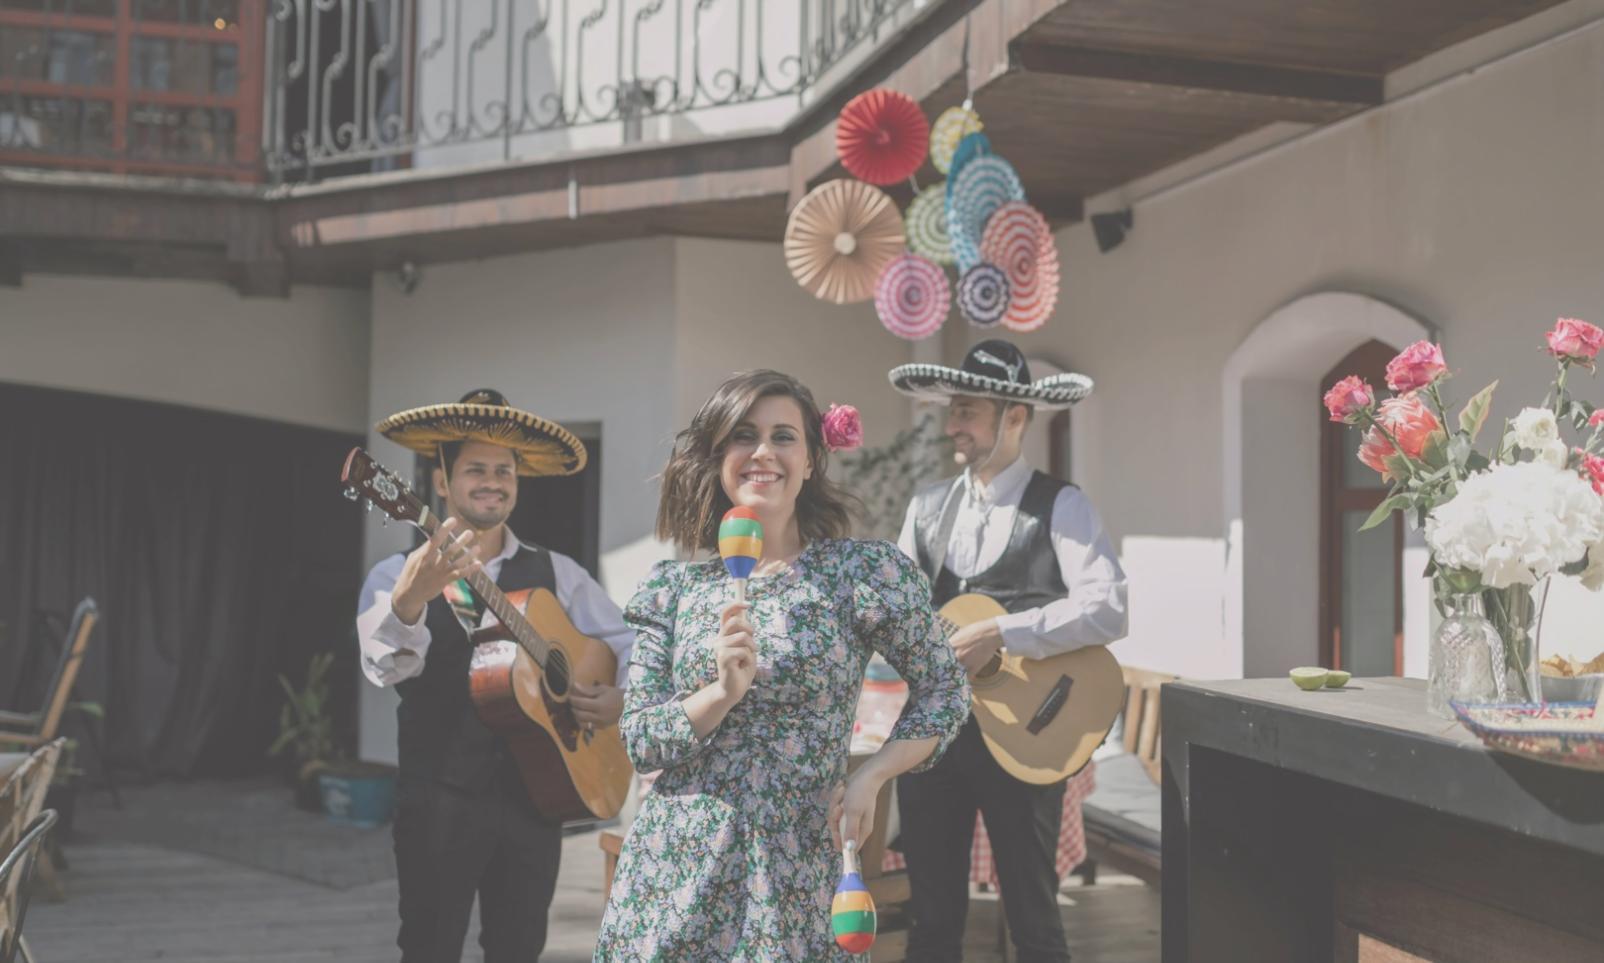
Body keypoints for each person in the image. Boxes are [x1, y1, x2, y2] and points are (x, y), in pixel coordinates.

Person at [593, 370, 970, 960]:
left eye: (783, 436)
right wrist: (718, 694)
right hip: (675, 876)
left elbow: (944, 691)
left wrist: (871, 776)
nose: (763, 451)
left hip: (798, 875)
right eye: (744, 435)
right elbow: (639, 740)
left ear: (813, 458)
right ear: (719, 457)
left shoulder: (860, 575)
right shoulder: (674, 590)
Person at [355, 388, 635, 963]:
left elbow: (628, 646)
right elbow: (385, 669)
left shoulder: (559, 571)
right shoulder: (395, 573)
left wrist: (620, 699)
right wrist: (409, 602)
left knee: (519, 949)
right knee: (429, 949)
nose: (493, 481)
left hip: (538, 797)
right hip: (441, 800)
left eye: (504, 471)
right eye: (475, 469)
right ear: (440, 481)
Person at [886, 340, 1130, 963]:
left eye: (967, 410)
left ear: (1015, 416)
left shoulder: (1062, 506)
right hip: (934, 734)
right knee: (931, 917)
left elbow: (1108, 607)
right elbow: (898, 619)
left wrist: (1005, 633)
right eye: (953, 410)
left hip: (1030, 730)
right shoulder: (925, 508)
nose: (952, 426)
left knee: (1034, 918)